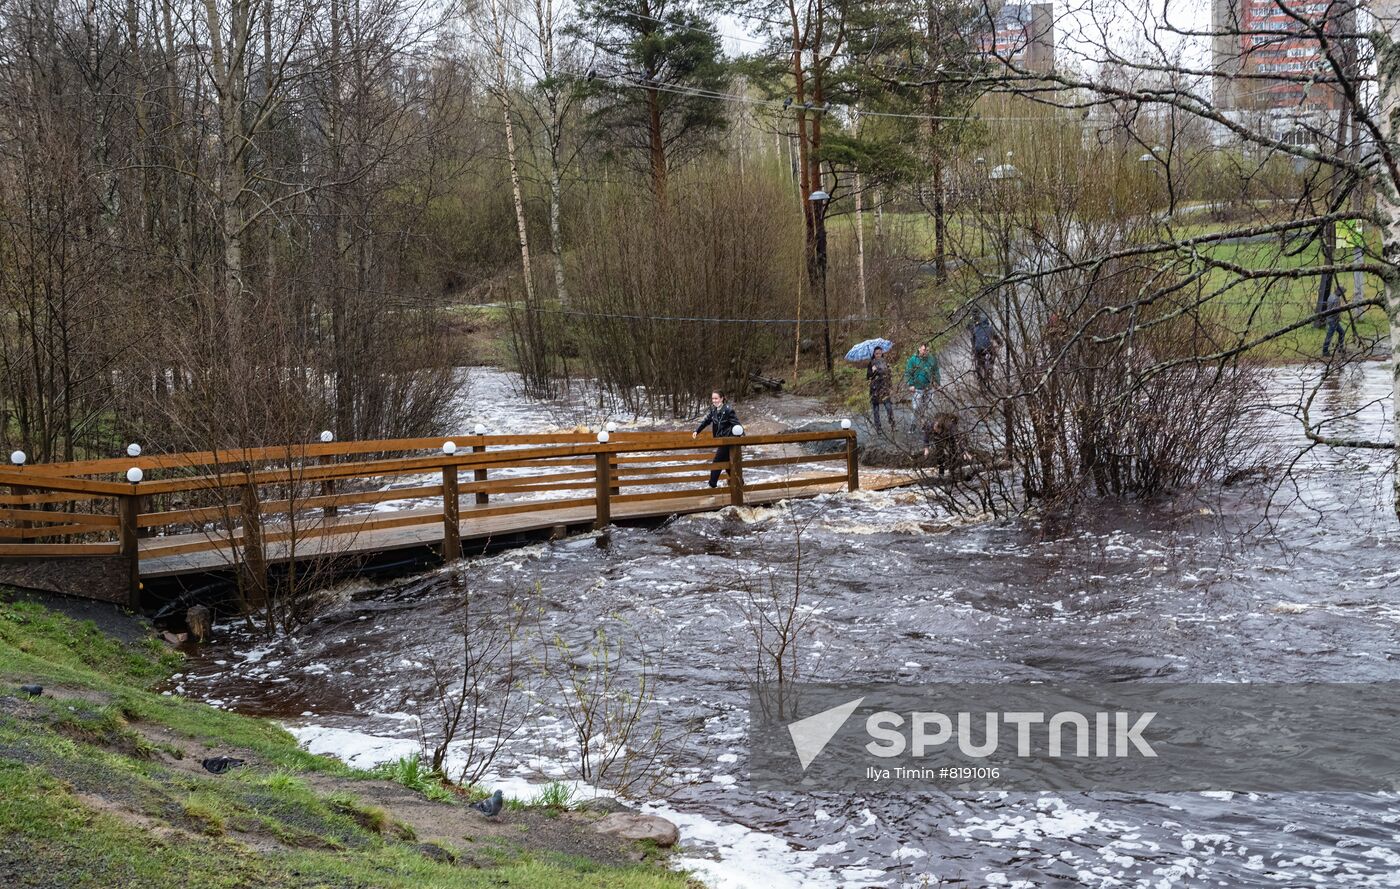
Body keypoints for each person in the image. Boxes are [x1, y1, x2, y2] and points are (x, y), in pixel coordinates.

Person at [693, 389, 739, 488]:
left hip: (727, 441)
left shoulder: (728, 410)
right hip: (720, 441)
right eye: (713, 398)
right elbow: (706, 421)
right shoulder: (714, 410)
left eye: (716, 398)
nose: (714, 400)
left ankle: (712, 485)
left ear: (722, 398)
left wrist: (738, 438)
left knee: (716, 462)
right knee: (727, 465)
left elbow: (737, 426)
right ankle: (740, 483)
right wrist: (697, 431)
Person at [904, 343, 941, 429]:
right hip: (918, 388)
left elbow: (936, 371)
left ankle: (924, 424)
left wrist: (937, 382)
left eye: (927, 350)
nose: (926, 352)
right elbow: (908, 373)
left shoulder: (932, 359)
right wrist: (911, 384)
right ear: (919, 349)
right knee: (916, 407)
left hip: (929, 387)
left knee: (927, 407)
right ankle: (913, 424)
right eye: (924, 350)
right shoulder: (913, 360)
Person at [867, 345, 895, 434]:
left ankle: (893, 424)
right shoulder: (871, 363)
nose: (878, 354)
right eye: (876, 353)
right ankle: (878, 427)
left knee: (888, 406)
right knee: (875, 409)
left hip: (884, 387)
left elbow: (889, 374)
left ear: (882, 353)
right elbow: (868, 376)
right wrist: (872, 371)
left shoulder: (885, 362)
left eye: (879, 353)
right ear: (874, 354)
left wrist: (890, 387)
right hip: (875, 388)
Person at [971, 313, 998, 389]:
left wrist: (973, 349)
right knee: (993, 354)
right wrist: (1000, 342)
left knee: (979, 362)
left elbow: (973, 340)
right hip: (988, 348)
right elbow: (996, 338)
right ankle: (990, 367)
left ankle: (979, 375)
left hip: (978, 350)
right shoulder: (990, 328)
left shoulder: (975, 329)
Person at [1322, 284, 1346, 357]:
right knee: (1330, 335)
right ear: (1338, 292)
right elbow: (1335, 310)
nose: (1342, 294)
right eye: (1342, 292)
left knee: (1341, 332)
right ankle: (1325, 351)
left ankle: (1340, 347)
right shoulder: (1336, 299)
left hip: (1330, 319)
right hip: (1333, 320)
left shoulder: (1331, 296)